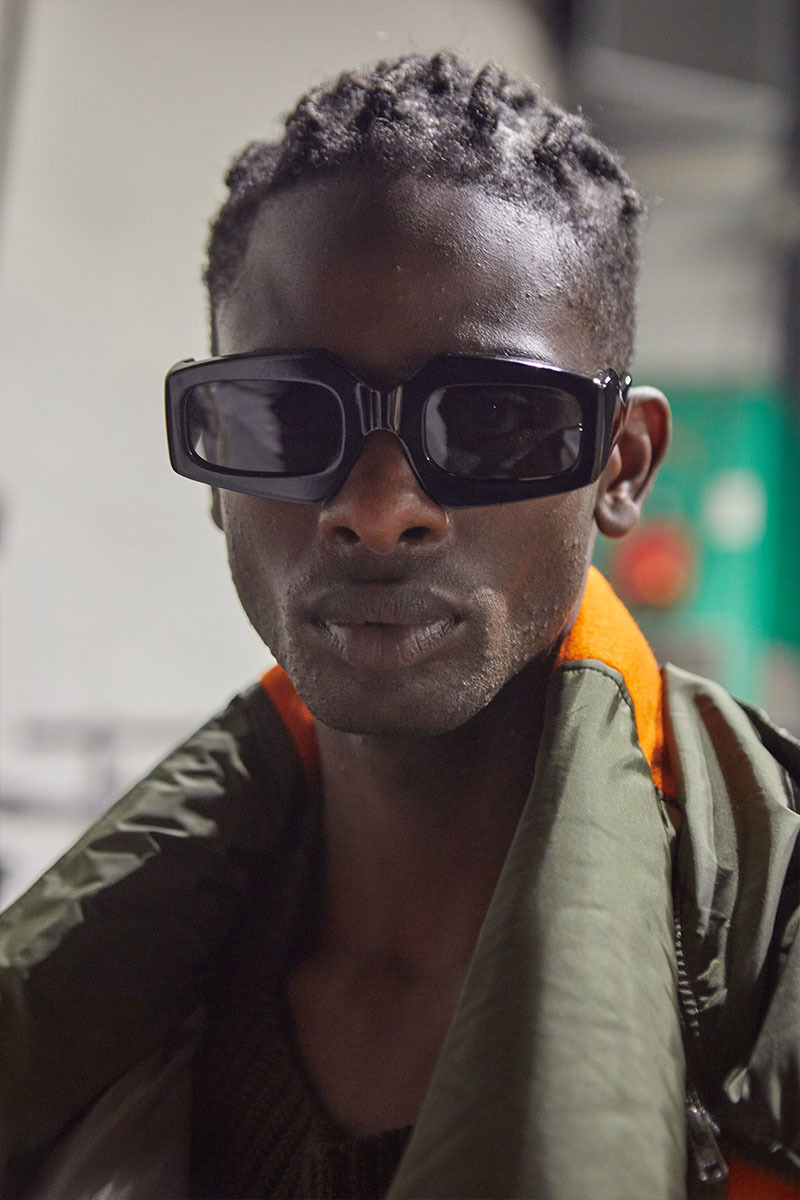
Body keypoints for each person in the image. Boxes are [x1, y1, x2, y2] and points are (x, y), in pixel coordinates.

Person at [1, 52, 797, 1200]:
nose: (376, 509)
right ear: (218, 466)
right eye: (287, 418)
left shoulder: (770, 965)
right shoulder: (102, 999)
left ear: (620, 466)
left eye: (492, 419)